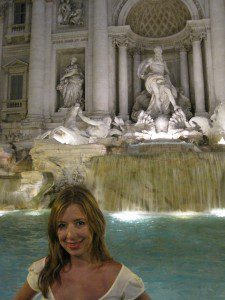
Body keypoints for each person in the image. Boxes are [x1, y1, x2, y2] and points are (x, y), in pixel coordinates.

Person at [14, 185, 151, 300]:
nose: (70, 235)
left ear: (95, 224)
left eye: (80, 223)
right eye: (62, 225)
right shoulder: (44, 271)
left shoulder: (122, 280)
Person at [137, 46, 180, 118]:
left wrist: (167, 75)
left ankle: (175, 106)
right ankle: (160, 111)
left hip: (161, 78)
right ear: (155, 52)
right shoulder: (151, 60)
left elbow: (167, 72)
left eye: (160, 52)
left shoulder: (163, 62)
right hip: (152, 78)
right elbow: (143, 68)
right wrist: (143, 75)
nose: (159, 53)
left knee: (168, 90)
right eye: (157, 51)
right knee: (157, 95)